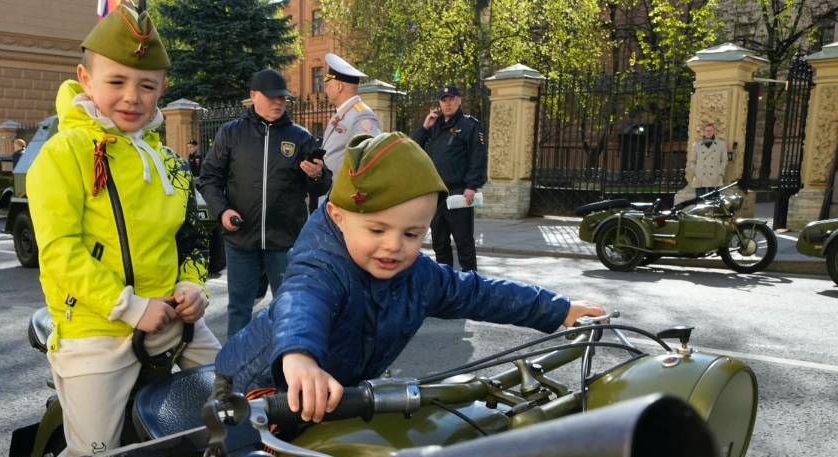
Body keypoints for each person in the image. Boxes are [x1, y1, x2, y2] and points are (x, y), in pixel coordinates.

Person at [215, 132, 604, 420]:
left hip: (331, 396)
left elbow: (481, 293)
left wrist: (561, 310)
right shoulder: (322, 265)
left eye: (412, 234)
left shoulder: (420, 277)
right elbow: (301, 302)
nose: (393, 247)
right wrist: (300, 358)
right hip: (252, 394)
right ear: (338, 217)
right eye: (377, 230)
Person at [26, 0, 219, 457]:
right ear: (85, 78)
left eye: (146, 85)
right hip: (97, 328)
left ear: (162, 88)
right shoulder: (62, 154)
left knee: (237, 403)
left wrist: (193, 287)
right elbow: (59, 252)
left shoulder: (169, 161)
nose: (132, 96)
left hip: (174, 322)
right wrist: (129, 307)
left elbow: (193, 235)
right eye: (116, 82)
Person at [199, 68, 329, 337]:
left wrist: (317, 175)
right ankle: (234, 371)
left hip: (284, 241)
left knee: (289, 308)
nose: (278, 102)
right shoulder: (231, 133)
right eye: (271, 97)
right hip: (240, 238)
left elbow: (321, 185)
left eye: (282, 97)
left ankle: (285, 368)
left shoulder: (300, 137)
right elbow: (209, 178)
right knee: (239, 309)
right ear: (253, 96)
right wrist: (222, 211)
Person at [411, 85, 487, 272]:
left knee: (464, 243)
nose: (448, 103)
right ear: (439, 103)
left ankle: (471, 286)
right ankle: (445, 285)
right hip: (436, 194)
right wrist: (424, 127)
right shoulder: (434, 126)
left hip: (458, 192)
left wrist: (472, 185)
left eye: (452, 99)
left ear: (459, 101)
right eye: (444, 100)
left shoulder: (469, 125)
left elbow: (478, 156)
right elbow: (411, 147)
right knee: (439, 242)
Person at [319, 52, 380, 175]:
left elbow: (371, 156)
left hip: (347, 192)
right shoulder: (342, 112)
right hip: (331, 190)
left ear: (338, 87)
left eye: (327, 85)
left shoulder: (362, 115)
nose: (325, 90)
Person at [687, 122, 728, 198]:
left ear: (714, 131)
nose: (708, 132)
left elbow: (724, 160)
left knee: (714, 203)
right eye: (707, 130)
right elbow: (692, 161)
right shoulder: (696, 144)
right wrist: (696, 172)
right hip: (700, 178)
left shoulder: (721, 144)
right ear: (703, 132)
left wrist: (720, 172)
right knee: (700, 203)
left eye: (711, 130)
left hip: (715, 177)